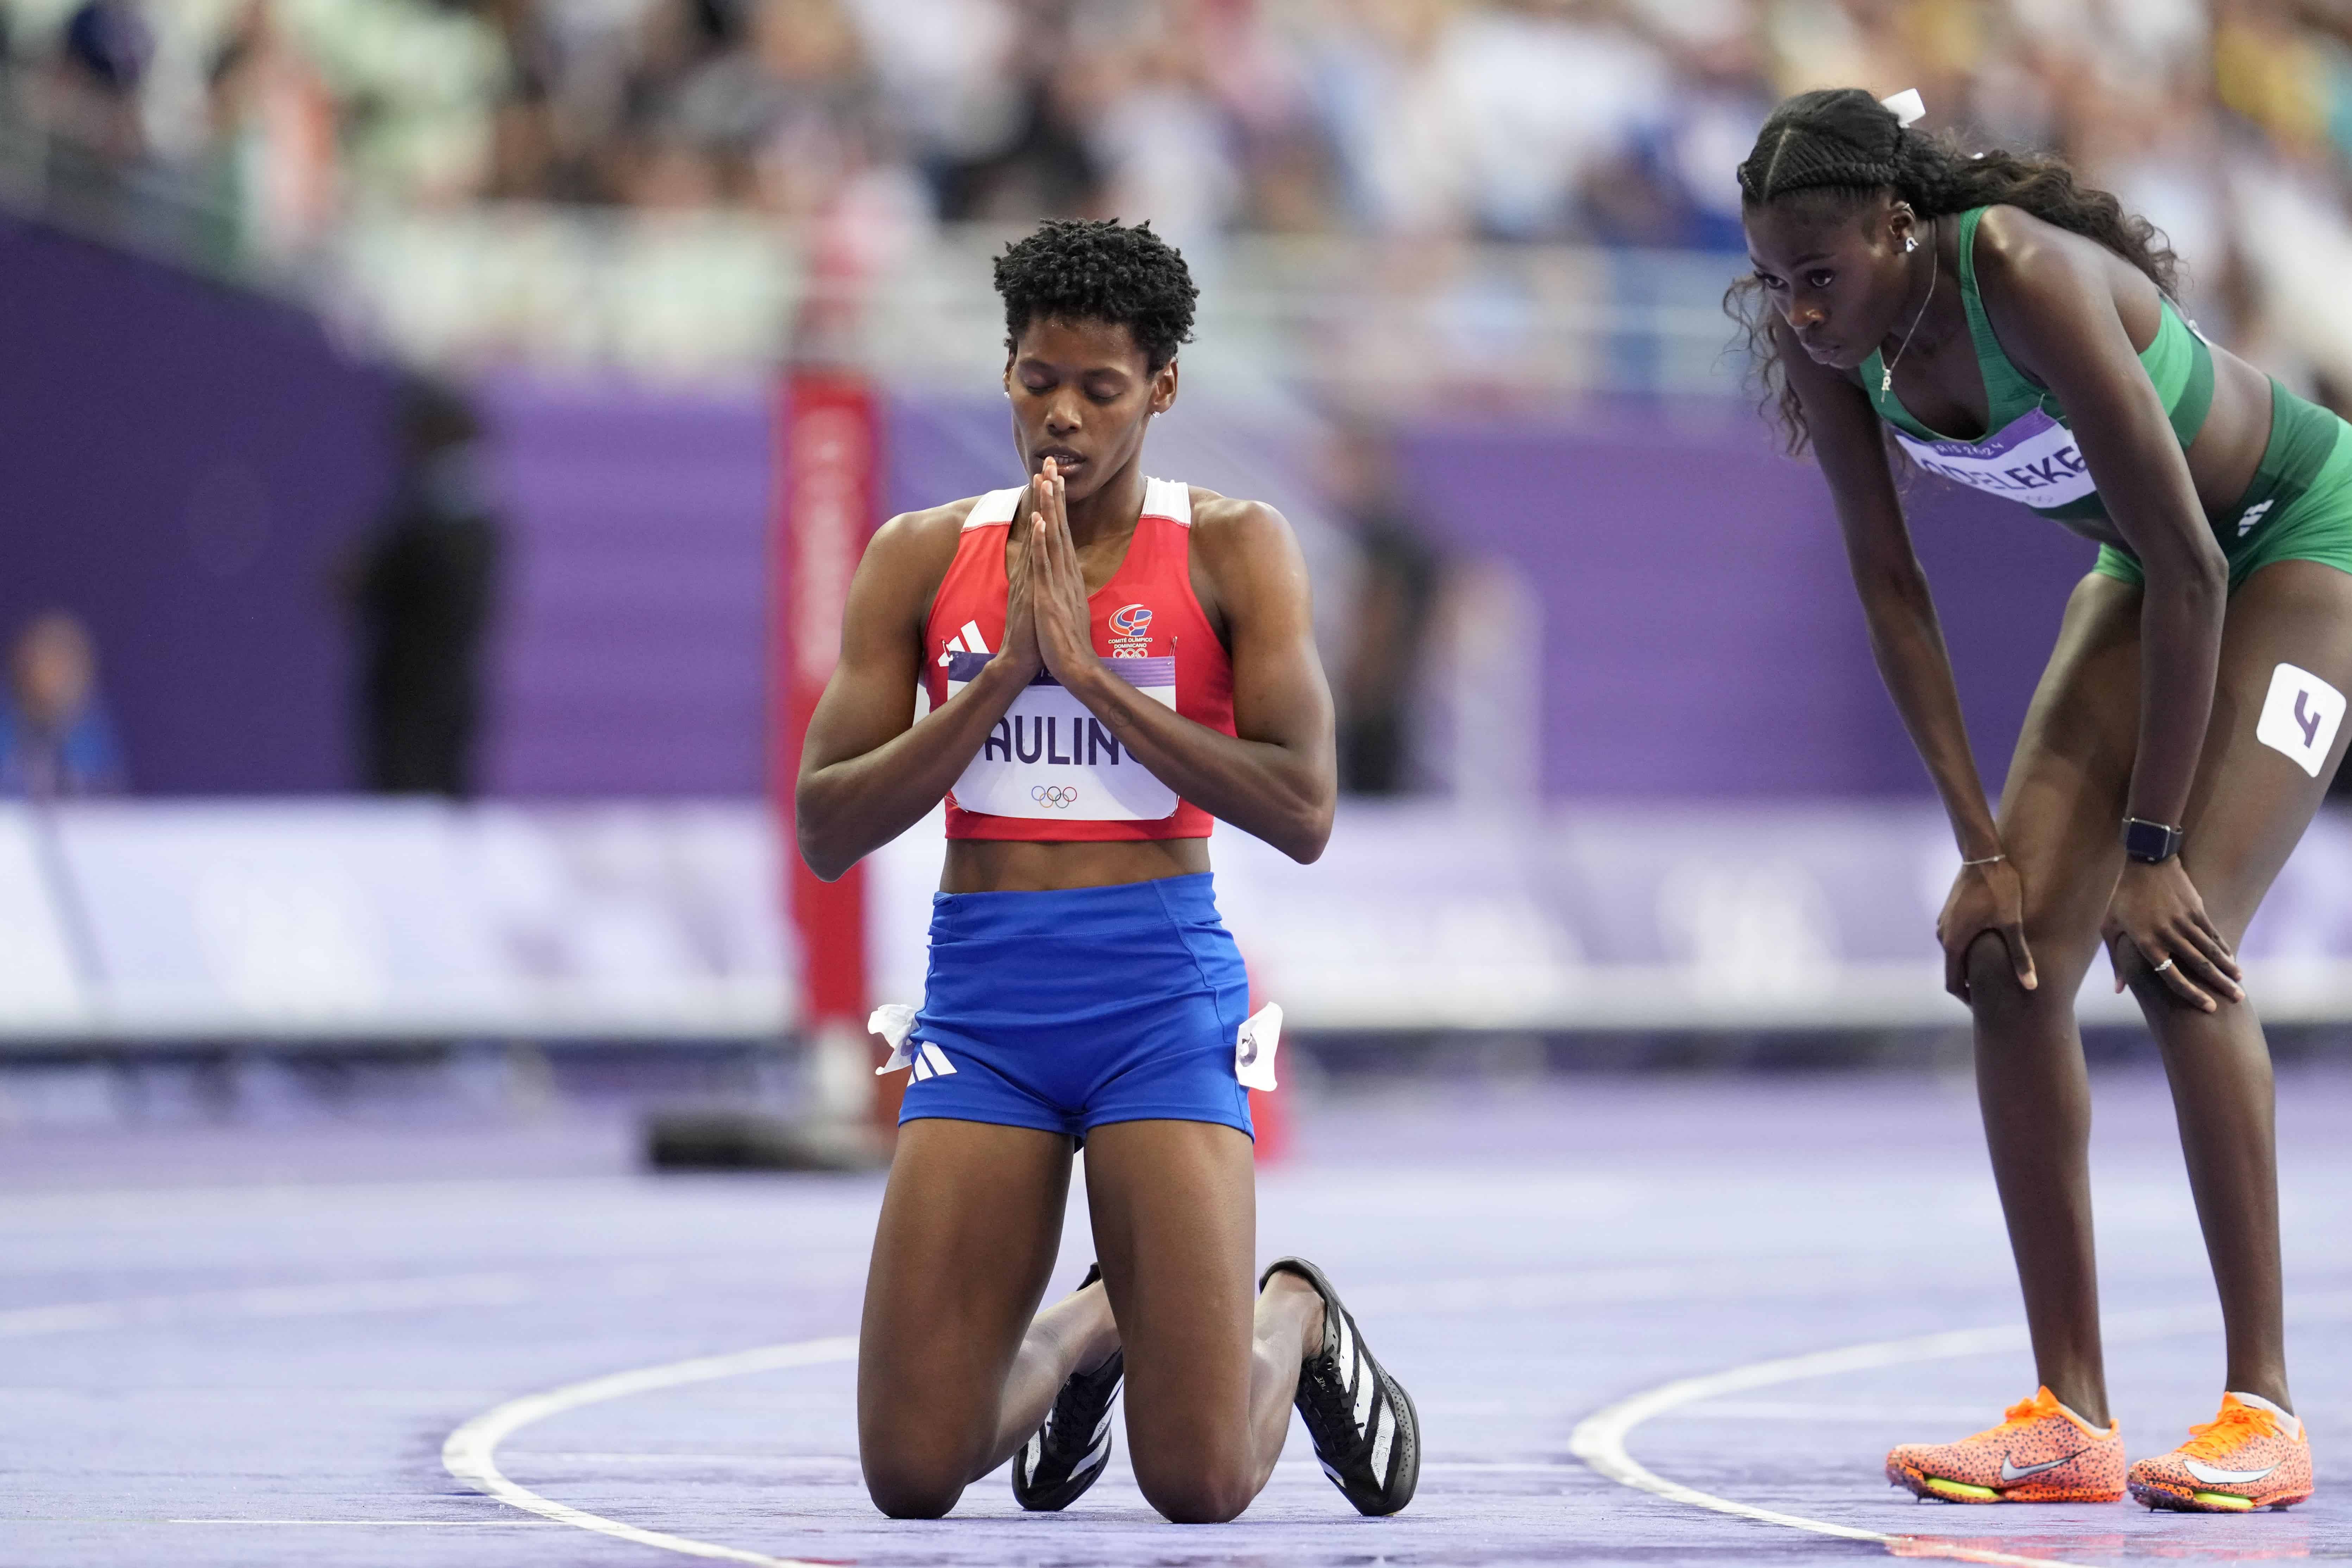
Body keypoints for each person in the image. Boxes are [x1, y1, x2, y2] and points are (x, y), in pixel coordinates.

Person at [1736, 88, 2345, 1513]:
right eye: (1773, 283)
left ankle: (2261, 1410)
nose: (1800, 313)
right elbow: (1889, 590)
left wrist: (2148, 849)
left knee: (2176, 946)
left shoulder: (2019, 274)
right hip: (2147, 574)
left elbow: (2197, 560)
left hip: (2292, 549)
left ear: (1901, 226)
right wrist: (1977, 850)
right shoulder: (1827, 338)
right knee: (2002, 962)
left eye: (1818, 277)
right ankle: (2065, 1416)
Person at [795, 218, 1419, 1524]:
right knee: (911, 1472)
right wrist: (1000, 682)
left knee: (1194, 1483)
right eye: (1037, 380)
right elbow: (828, 825)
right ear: (1007, 372)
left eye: (1100, 388)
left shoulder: (1233, 549)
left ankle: (1289, 1314)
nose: (1061, 419)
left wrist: (1086, 676)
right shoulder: (919, 556)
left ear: (1163, 390)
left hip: (1156, 1007)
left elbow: (1303, 808)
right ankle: (1095, 1325)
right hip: (985, 1010)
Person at [0, 611, 126, 798]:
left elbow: (109, 800)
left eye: (65, 664)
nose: (56, 675)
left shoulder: (91, 737)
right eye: (46, 662)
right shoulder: (7, 729)